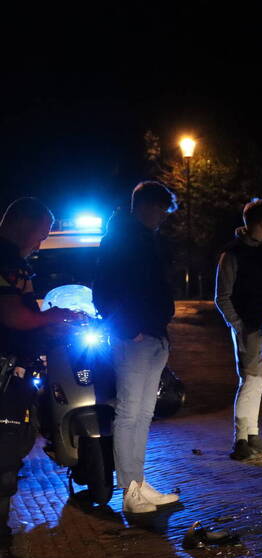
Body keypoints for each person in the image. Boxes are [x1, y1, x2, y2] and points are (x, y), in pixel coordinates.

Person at [0, 197, 80, 558]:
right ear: (21, 224)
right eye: (42, 232)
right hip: (4, 376)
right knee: (3, 463)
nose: (43, 240)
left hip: (14, 372)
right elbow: (14, 315)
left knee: (9, 459)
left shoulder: (15, 261)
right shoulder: (5, 260)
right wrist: (58, 316)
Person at [93, 181, 181, 514]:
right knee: (130, 411)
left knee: (143, 412)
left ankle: (138, 483)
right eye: (159, 209)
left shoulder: (146, 240)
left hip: (154, 334)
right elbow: (103, 290)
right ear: (144, 206)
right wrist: (129, 329)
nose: (162, 216)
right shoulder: (120, 240)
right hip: (136, 336)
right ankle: (130, 490)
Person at [214, 198, 262, 461]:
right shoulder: (233, 254)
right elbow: (223, 296)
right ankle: (241, 438)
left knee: (257, 381)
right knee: (251, 380)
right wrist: (240, 326)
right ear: (258, 224)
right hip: (251, 326)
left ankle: (250, 434)